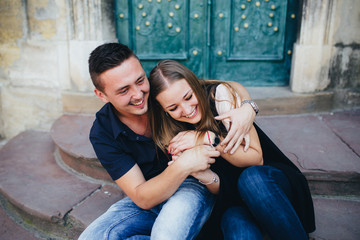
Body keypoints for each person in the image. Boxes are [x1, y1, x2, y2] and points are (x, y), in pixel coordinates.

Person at [78, 43, 256, 240]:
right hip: (150, 194)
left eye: (139, 80)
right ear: (101, 95)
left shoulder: (159, 92)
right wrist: (184, 164)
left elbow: (215, 87)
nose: (138, 95)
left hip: (193, 184)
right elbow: (141, 197)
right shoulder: (103, 131)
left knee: (166, 236)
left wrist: (248, 107)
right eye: (123, 91)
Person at [148, 60, 316, 240]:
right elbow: (219, 187)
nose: (187, 110)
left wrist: (207, 139)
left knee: (251, 179)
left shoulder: (219, 97)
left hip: (268, 184)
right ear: (164, 110)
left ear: (195, 84)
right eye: (173, 108)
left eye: (188, 97)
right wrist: (204, 176)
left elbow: (255, 158)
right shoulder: (172, 134)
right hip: (233, 200)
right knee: (238, 230)